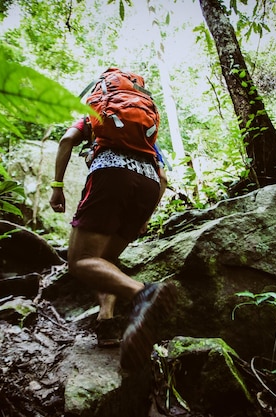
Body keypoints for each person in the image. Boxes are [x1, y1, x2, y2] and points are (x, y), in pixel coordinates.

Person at [49, 115, 174, 370]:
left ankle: (145, 293)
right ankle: (107, 322)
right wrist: (145, 216)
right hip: (148, 187)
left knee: (81, 261)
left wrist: (57, 185)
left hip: (111, 176)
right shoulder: (142, 132)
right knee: (103, 261)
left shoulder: (98, 115)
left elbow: (66, 141)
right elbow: (163, 178)